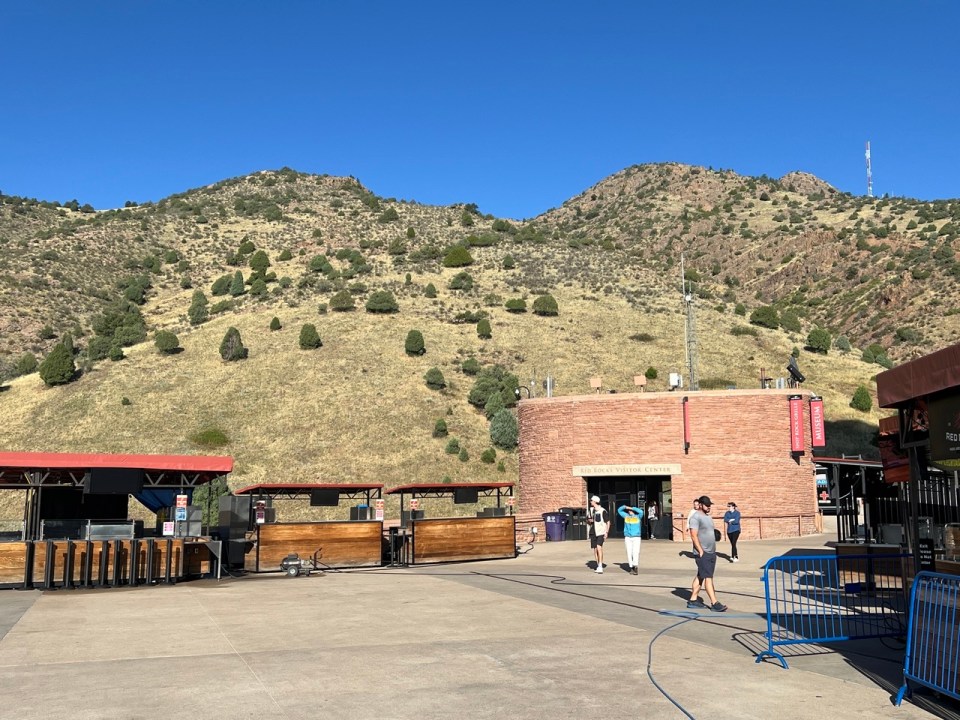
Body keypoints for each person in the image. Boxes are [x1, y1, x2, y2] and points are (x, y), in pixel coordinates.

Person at [687, 496, 727, 612]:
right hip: (703, 553)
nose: (709, 507)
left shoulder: (708, 517)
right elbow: (693, 535)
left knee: (701, 575)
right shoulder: (695, 518)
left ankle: (693, 600)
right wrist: (700, 551)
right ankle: (714, 603)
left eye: (710, 505)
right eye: (706, 505)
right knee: (708, 577)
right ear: (700, 505)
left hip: (711, 552)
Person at [618, 504, 644, 574]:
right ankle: (631, 566)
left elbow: (641, 512)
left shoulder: (638, 516)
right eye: (628, 510)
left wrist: (632, 508)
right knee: (629, 552)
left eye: (630, 510)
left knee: (635, 552)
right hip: (628, 537)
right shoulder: (626, 516)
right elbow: (619, 510)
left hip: (636, 537)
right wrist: (625, 507)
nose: (629, 511)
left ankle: (635, 566)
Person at [586, 495, 609, 573]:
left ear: (595, 501)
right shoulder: (591, 510)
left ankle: (600, 565)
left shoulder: (602, 511)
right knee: (595, 549)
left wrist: (606, 532)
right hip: (593, 532)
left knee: (599, 547)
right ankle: (598, 564)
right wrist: (589, 521)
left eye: (591, 500)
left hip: (600, 532)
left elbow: (608, 522)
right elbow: (588, 520)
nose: (590, 502)